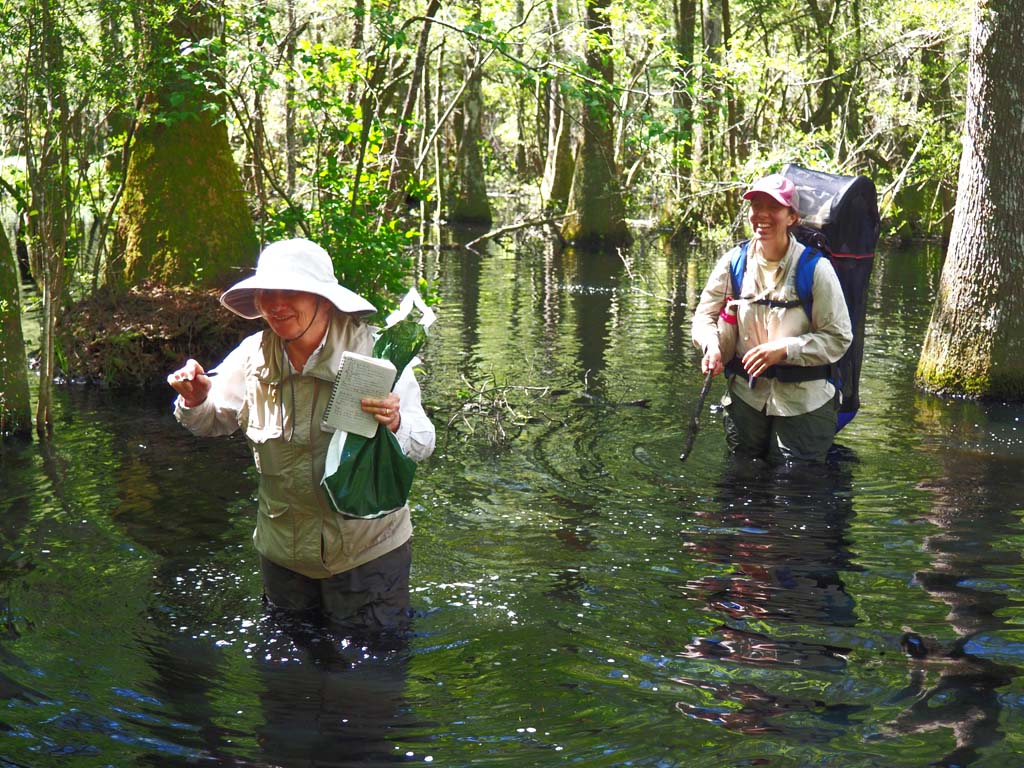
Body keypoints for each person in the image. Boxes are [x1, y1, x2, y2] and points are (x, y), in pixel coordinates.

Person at [167, 238, 435, 632]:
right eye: (267, 293)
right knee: (286, 668)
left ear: (325, 301)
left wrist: (394, 423)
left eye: (291, 292)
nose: (276, 305)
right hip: (283, 559)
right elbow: (212, 421)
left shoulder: (377, 354)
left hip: (367, 558)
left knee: (370, 668)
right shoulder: (252, 355)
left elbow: (423, 442)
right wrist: (195, 399)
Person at [691, 174, 853, 464]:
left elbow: (838, 338)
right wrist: (710, 345)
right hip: (745, 398)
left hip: (805, 402)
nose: (762, 215)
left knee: (793, 484)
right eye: (756, 206)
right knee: (741, 477)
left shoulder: (816, 269)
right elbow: (705, 316)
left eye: (774, 207)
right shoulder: (734, 262)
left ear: (792, 217)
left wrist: (784, 350)